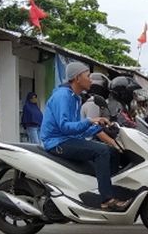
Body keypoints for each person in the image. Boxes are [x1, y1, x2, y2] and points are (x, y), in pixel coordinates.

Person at [41, 61, 126, 210]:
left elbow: (78, 128)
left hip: (68, 139)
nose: (91, 80)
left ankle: (101, 189)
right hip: (57, 142)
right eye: (88, 76)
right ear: (77, 77)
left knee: (112, 152)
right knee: (102, 151)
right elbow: (65, 127)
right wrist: (90, 121)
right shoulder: (63, 96)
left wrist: (99, 128)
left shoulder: (75, 97)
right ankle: (107, 199)